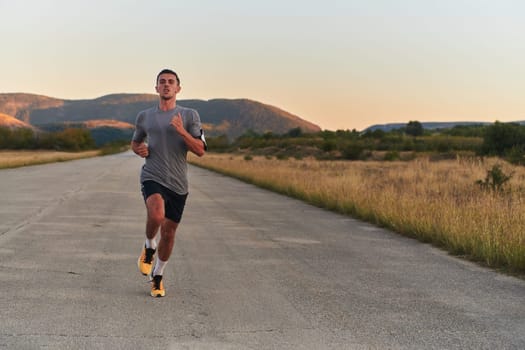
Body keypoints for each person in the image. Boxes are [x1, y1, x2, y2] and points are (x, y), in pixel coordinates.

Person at [131, 68, 206, 297]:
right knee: (156, 215)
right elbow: (135, 142)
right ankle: (148, 246)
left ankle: (158, 275)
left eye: (170, 82)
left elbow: (200, 151)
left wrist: (182, 131)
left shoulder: (190, 115)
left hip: (178, 184)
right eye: (162, 82)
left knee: (170, 233)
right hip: (152, 175)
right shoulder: (145, 116)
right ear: (156, 88)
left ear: (178, 88)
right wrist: (138, 149)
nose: (166, 85)